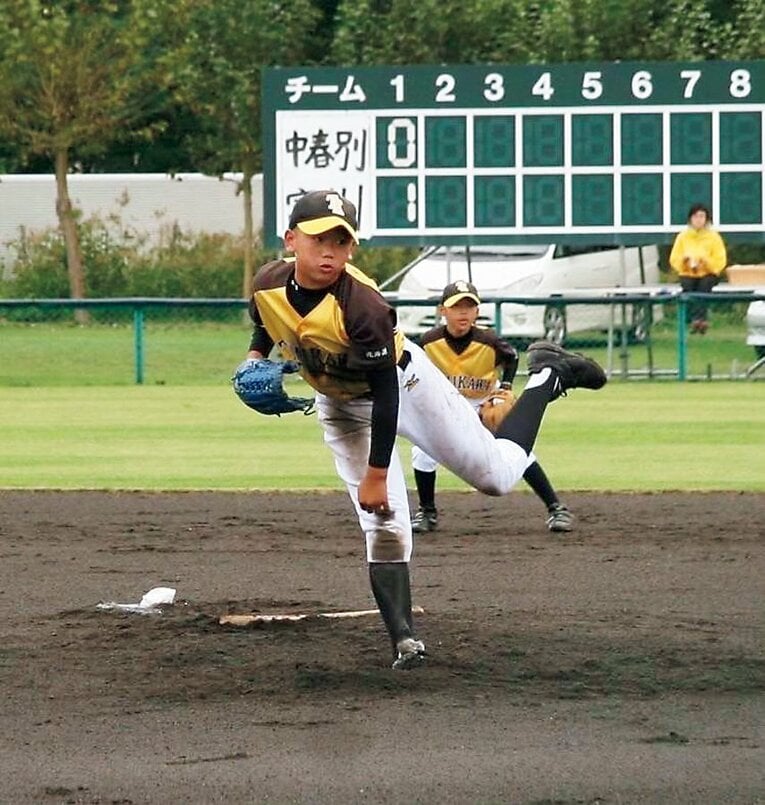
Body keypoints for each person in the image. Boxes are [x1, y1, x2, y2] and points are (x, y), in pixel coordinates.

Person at [242, 190, 606, 671]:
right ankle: (405, 642)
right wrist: (253, 358)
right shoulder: (266, 283)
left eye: (341, 240)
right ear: (291, 240)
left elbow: (385, 394)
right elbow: (267, 322)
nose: (330, 251)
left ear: (352, 247)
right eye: (318, 239)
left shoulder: (362, 306)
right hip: (339, 405)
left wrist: (377, 473)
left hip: (405, 386)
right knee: (384, 526)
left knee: (496, 478)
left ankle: (547, 378)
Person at [410, 280, 573, 535]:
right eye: (456, 307)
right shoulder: (429, 342)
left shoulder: (488, 340)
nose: (463, 313)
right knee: (423, 452)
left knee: (517, 452)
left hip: (483, 403)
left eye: (469, 306)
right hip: (447, 404)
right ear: (443, 311)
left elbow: (511, 358)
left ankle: (556, 508)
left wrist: (505, 387)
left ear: (477, 311)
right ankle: (427, 512)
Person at [669, 204, 727, 334]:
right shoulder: (682, 237)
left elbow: (720, 261)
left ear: (707, 219)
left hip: (708, 273)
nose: (699, 219)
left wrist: (705, 261)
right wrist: (685, 262)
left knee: (704, 285)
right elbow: (674, 258)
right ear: (690, 219)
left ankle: (699, 319)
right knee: (687, 284)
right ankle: (695, 320)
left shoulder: (714, 237)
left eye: (702, 216)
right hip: (688, 272)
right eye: (695, 216)